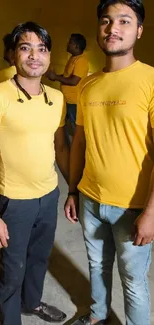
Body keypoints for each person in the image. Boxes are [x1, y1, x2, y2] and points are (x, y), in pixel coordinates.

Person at [65, 1, 154, 325]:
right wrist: (73, 190)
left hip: (133, 207)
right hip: (89, 198)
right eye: (106, 20)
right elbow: (80, 144)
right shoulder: (88, 83)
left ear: (139, 31)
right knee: (97, 266)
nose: (113, 28)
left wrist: (151, 212)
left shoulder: (150, 80)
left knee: (133, 282)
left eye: (124, 21)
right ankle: (97, 317)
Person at [0, 21, 69, 325]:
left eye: (41, 49)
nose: (34, 56)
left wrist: (73, 191)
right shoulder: (0, 94)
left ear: (49, 56)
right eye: (26, 47)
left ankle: (32, 303)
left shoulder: (57, 98)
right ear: (14, 53)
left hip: (49, 194)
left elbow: (60, 148)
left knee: (39, 258)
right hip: (13, 201)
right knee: (12, 270)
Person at [47, 33, 89, 134]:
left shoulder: (81, 61)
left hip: (73, 102)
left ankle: (78, 148)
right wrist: (55, 76)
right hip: (66, 99)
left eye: (70, 42)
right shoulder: (73, 58)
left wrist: (56, 77)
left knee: (76, 129)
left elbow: (74, 81)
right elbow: (68, 77)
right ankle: (65, 146)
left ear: (76, 46)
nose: (67, 44)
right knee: (61, 126)